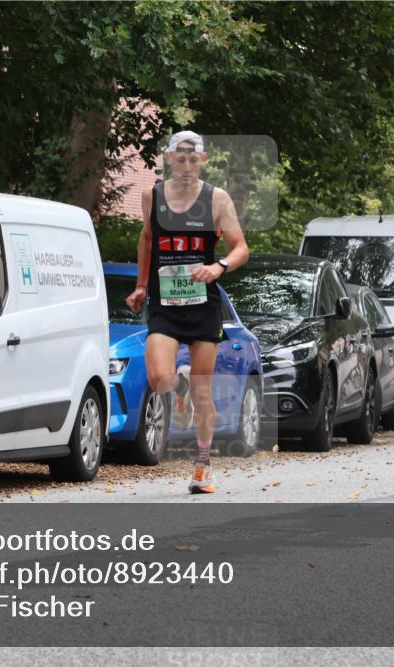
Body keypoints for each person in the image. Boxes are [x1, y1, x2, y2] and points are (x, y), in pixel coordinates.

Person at [125, 130, 249, 494]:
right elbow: (148, 239)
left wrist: (218, 267)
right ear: (168, 159)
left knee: (202, 393)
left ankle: (203, 465)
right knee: (158, 377)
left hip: (203, 306)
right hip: (165, 304)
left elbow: (241, 248)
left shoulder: (216, 199)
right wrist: (141, 285)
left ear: (203, 160)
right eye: (180, 159)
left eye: (194, 160)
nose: (187, 166)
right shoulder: (152, 196)